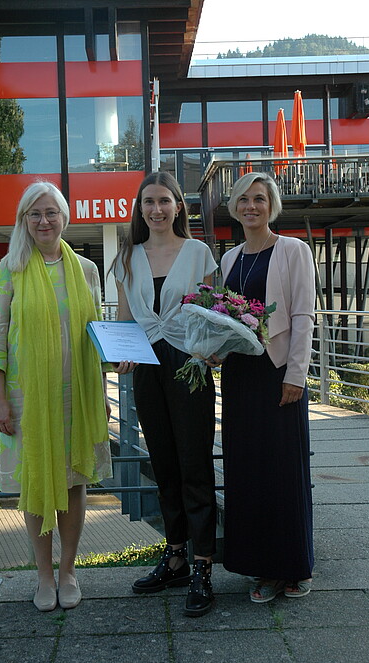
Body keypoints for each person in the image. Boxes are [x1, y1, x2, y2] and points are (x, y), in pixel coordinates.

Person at [0, 181, 112, 612]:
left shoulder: (87, 270)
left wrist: (102, 392)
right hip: (26, 397)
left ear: (64, 217)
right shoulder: (11, 267)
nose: (44, 221)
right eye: (35, 214)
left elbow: (95, 337)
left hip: (77, 393)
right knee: (36, 481)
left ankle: (69, 571)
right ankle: (43, 575)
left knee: (74, 483)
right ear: (24, 220)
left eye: (51, 212)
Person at [111, 171, 218, 617]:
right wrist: (121, 352)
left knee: (194, 464)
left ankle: (203, 566)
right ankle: (174, 556)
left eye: (163, 201)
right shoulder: (128, 257)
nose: (155, 209)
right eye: (147, 202)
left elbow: (211, 314)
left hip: (188, 363)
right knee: (164, 463)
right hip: (146, 368)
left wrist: (213, 353)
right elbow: (122, 319)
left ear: (178, 206)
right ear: (140, 209)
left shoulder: (198, 253)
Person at [216, 171, 315, 602]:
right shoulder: (229, 259)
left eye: (259, 199)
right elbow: (224, 319)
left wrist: (296, 374)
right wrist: (212, 349)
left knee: (284, 471)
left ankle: (292, 566)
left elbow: (303, 317)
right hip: (240, 376)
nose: (251, 206)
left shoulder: (294, 250)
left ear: (270, 205)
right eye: (243, 199)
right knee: (248, 471)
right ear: (235, 206)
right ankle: (261, 567)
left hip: (278, 374)